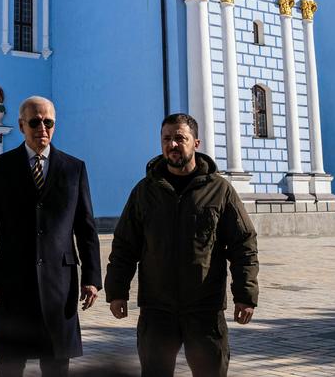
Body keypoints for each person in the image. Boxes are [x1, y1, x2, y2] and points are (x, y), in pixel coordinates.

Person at [104, 113, 258, 377]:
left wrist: (245, 296)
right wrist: (117, 290)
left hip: (204, 310)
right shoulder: (144, 191)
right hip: (157, 309)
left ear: (195, 142)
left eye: (180, 138)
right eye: (166, 139)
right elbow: (124, 246)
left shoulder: (220, 191)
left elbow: (243, 245)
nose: (172, 145)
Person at [0, 96, 101, 377]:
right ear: (21, 125)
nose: (42, 127)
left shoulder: (73, 168)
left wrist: (92, 278)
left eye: (48, 122)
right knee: (10, 365)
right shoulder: (0, 168)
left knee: (56, 365)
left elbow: (86, 227)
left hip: (60, 285)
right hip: (11, 285)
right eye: (34, 121)